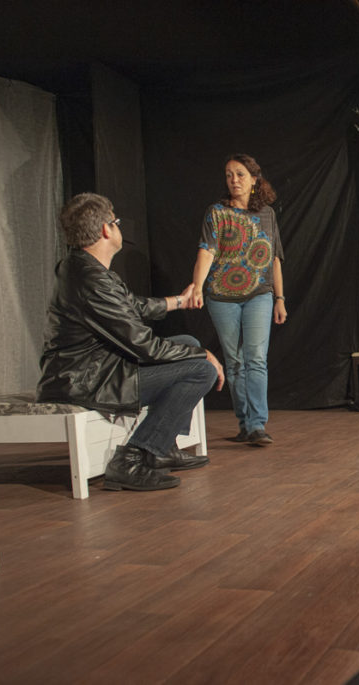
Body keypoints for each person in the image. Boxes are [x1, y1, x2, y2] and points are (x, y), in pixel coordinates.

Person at [37, 192, 223, 492]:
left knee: (186, 341)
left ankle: (164, 445)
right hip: (86, 379)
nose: (119, 227)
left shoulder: (83, 267)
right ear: (106, 229)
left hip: (97, 368)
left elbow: (132, 306)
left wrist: (179, 301)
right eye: (117, 222)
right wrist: (202, 354)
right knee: (202, 370)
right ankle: (133, 457)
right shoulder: (90, 278)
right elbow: (145, 347)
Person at [190, 154, 286, 447]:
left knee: (256, 358)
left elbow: (274, 259)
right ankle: (245, 423)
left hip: (259, 294)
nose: (234, 180)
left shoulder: (267, 214)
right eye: (229, 175)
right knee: (235, 362)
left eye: (240, 174)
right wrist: (197, 287)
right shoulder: (216, 212)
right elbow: (207, 251)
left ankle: (257, 425)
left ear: (254, 179)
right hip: (222, 296)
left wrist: (280, 298)